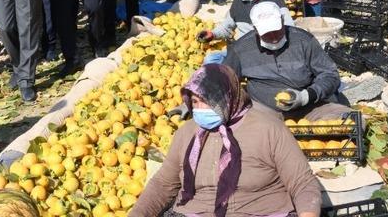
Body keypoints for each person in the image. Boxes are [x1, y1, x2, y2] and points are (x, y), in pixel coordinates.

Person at [130, 64, 321, 217]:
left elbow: (302, 182)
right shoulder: (186, 133)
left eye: (206, 100)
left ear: (228, 97)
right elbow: (163, 184)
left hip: (261, 211)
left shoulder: (269, 128)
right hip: (196, 211)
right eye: (194, 102)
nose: (200, 108)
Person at [224, 1, 350, 121]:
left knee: (351, 121)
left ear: (283, 21)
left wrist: (306, 96)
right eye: (267, 33)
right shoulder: (241, 49)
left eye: (277, 30)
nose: (273, 38)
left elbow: (330, 74)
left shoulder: (303, 41)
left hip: (309, 108)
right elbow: (224, 81)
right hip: (264, 116)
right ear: (256, 30)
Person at [197, 0, 294, 65]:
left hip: (268, 52)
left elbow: (290, 29)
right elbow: (226, 28)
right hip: (243, 50)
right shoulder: (238, 3)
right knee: (211, 60)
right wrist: (213, 34)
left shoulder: (275, 3)